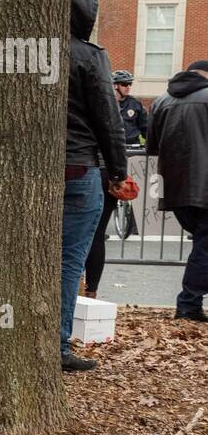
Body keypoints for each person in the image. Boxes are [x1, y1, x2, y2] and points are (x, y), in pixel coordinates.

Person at [61, 0, 128, 371]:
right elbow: (108, 118)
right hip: (79, 168)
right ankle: (57, 347)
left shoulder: (26, 50)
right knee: (69, 262)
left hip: (36, 171)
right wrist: (118, 172)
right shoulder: (90, 56)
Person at [148, 60, 208, 322]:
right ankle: (188, 303)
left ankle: (190, 302)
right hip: (204, 186)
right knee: (204, 248)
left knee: (203, 245)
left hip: (175, 187)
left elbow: (152, 145)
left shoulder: (161, 101)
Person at [84, 70, 143, 298]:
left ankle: (80, 290)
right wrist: (118, 174)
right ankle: (90, 292)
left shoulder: (80, 103)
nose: (126, 87)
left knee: (78, 235)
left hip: (81, 168)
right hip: (101, 169)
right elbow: (115, 139)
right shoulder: (109, 108)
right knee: (96, 233)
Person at [113, 70, 148, 146]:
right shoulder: (106, 104)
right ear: (115, 86)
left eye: (130, 84)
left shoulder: (135, 104)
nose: (128, 87)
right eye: (124, 84)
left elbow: (145, 127)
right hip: (111, 148)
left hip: (132, 148)